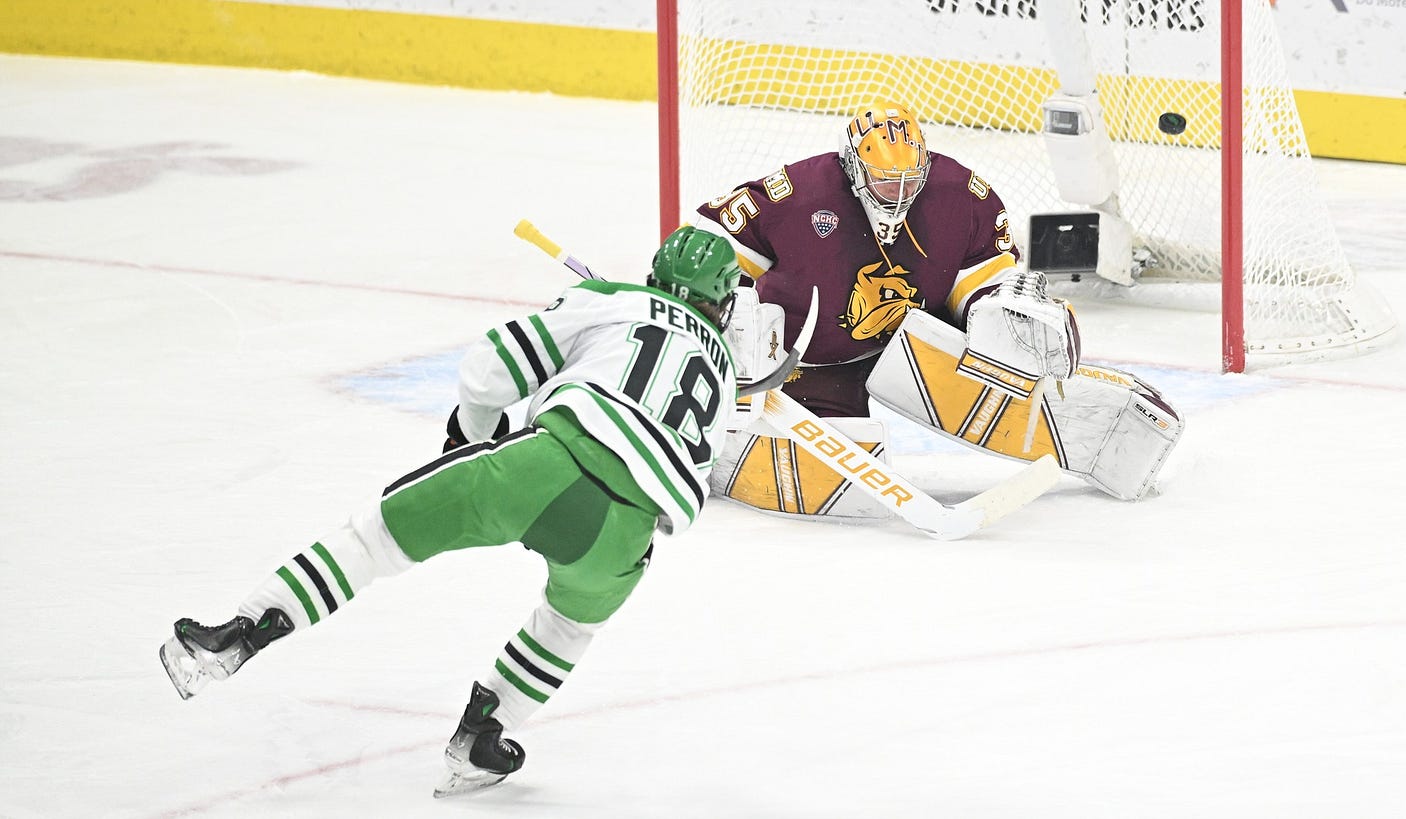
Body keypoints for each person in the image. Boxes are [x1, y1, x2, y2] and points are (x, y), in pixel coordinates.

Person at [159, 226, 743, 797]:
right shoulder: (721, 369)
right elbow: (688, 484)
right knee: (570, 624)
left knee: (375, 539)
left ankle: (239, 635)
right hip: (624, 536)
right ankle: (483, 736)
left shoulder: (615, 300)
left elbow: (496, 363)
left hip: (542, 468)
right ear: (722, 300)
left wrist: (471, 436)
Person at [695, 102, 1181, 512]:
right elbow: (709, 247)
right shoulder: (800, 194)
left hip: (918, 345)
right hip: (809, 364)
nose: (901, 194)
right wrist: (728, 314)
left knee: (1002, 355)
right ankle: (702, 441)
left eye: (910, 180)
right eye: (886, 183)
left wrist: (1004, 310)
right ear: (852, 169)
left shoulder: (962, 196)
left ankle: (1104, 437)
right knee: (833, 485)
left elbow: (984, 277)